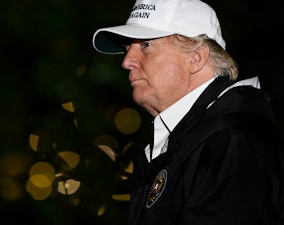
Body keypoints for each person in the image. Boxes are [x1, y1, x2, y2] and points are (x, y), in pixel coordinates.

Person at [92, 0, 284, 224]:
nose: (126, 61)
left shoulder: (232, 142)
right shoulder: (191, 141)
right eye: (127, 49)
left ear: (196, 58)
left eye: (146, 45)